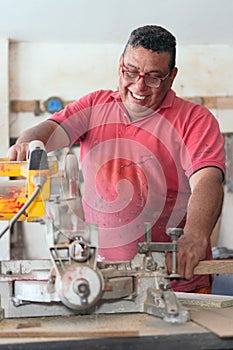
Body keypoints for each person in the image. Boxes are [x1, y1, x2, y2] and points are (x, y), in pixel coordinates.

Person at [8, 25, 225, 293]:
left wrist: (194, 235)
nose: (139, 86)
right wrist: (28, 142)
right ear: (120, 65)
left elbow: (208, 180)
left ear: (171, 77)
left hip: (178, 280)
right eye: (131, 72)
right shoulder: (93, 106)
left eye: (154, 77)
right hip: (106, 280)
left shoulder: (195, 120)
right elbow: (51, 130)